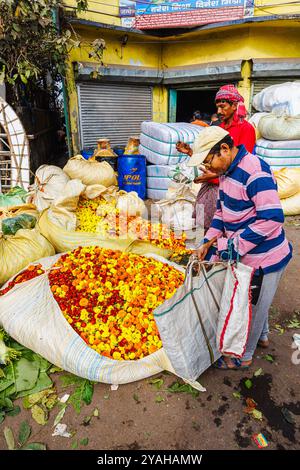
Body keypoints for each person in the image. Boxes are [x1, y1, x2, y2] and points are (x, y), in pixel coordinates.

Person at [187, 126, 292, 370]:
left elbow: (272, 218)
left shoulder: (254, 170)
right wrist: (208, 241)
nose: (208, 168)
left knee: (252, 308)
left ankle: (241, 357)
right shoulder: (226, 173)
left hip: (265, 257)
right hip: (248, 252)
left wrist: (231, 247)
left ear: (224, 149)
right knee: (257, 302)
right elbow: (222, 212)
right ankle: (263, 336)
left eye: (209, 161)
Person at [215, 84, 256, 152]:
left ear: (234, 106)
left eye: (222, 107)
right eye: (217, 107)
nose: (218, 111)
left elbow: (243, 158)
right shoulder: (220, 127)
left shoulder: (246, 128)